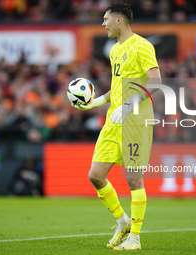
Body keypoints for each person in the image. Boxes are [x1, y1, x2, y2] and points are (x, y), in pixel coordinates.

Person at [73, 2, 161, 250]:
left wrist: (129, 105)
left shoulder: (142, 46)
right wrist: (96, 101)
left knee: (134, 179)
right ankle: (122, 222)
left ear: (119, 20)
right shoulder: (114, 50)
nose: (103, 24)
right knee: (95, 175)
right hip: (114, 119)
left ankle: (135, 238)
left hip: (136, 121)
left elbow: (156, 81)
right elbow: (117, 86)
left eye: (105, 19)